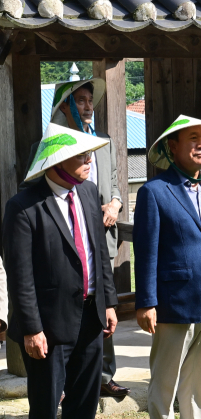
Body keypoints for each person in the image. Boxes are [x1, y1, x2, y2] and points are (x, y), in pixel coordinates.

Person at [2, 123, 119, 419]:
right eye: (81, 155)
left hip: (91, 318)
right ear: (56, 160)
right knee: (45, 404)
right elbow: (20, 274)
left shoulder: (89, 193)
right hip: (48, 326)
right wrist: (32, 328)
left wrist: (109, 302)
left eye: (89, 154)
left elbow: (98, 252)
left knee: (84, 403)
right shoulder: (24, 206)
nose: (89, 160)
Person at [20, 78, 128, 397]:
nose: (88, 106)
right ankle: (62, 377)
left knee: (100, 304)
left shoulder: (104, 141)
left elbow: (114, 181)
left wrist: (116, 203)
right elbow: (32, 192)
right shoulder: (44, 147)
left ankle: (102, 374)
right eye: (80, 100)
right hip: (60, 245)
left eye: (90, 101)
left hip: (96, 237)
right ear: (63, 106)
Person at [133, 115, 201, 419]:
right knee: (165, 381)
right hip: (173, 300)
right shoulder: (154, 191)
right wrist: (146, 302)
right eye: (193, 138)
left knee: (200, 379)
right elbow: (146, 251)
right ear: (172, 147)